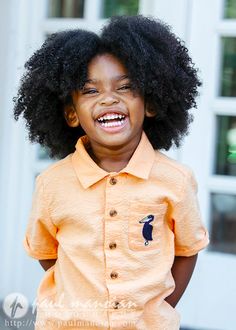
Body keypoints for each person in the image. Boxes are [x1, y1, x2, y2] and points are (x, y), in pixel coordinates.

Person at [13, 15, 210, 330]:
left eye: (126, 86)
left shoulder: (175, 180)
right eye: (90, 90)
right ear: (71, 114)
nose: (108, 98)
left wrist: (160, 307)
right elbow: (46, 252)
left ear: (151, 104)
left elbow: (188, 250)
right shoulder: (52, 184)